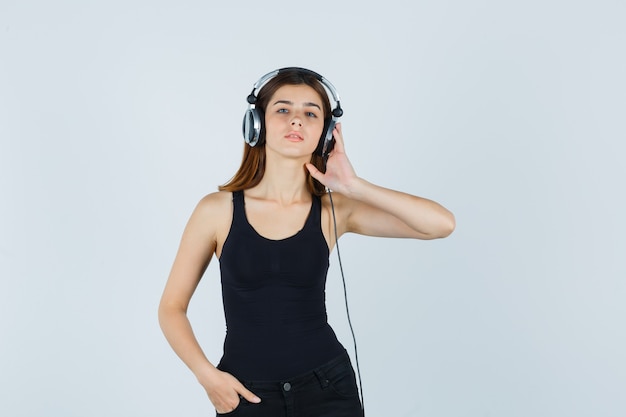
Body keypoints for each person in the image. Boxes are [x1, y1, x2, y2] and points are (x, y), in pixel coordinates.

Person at [158, 67, 455, 417]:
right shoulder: (217, 210)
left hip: (327, 387)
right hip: (243, 393)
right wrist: (208, 378)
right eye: (283, 109)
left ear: (327, 134)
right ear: (257, 124)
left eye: (310, 113)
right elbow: (171, 308)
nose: (296, 121)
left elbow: (440, 225)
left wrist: (355, 186)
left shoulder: (335, 210)